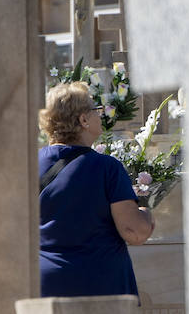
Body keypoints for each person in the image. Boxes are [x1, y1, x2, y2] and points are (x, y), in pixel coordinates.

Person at [38, 82, 153, 298]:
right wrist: (146, 215)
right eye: (95, 110)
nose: (100, 115)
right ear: (83, 120)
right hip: (99, 290)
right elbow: (134, 232)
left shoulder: (28, 164)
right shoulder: (106, 168)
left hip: (43, 288)